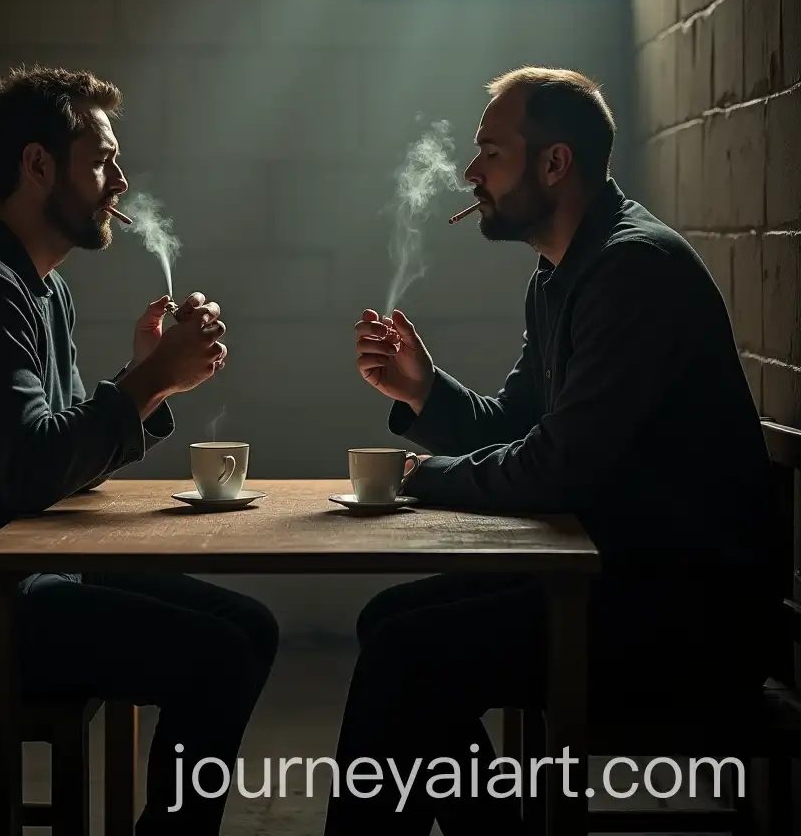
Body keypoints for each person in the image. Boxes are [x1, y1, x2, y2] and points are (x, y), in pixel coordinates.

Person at [327, 67, 779, 835]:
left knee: (409, 650)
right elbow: (517, 427)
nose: (472, 175)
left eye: (490, 154)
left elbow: (562, 465)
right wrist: (423, 391)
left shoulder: (631, 270)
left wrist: (426, 480)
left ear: (554, 163)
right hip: (619, 578)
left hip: (684, 617)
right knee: (390, 624)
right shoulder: (563, 275)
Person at [0, 65, 278, 836]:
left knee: (248, 630)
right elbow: (32, 469)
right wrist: (144, 383)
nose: (120, 179)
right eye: (102, 161)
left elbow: (56, 453)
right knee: (218, 656)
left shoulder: (39, 286)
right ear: (37, 165)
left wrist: (147, 381)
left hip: (13, 582)